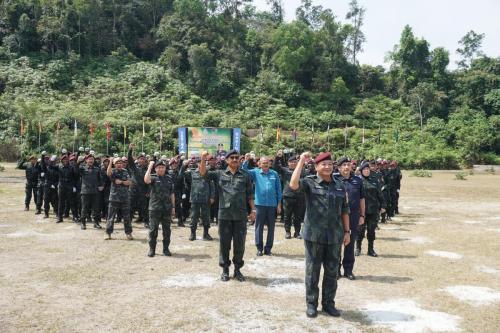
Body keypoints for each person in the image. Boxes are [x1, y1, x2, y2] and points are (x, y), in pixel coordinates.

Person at [289, 152, 350, 318]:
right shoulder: (309, 182)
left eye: (330, 164)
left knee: (332, 272)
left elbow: (344, 210)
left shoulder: (339, 185)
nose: (327, 166)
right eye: (323, 164)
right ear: (316, 167)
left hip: (335, 236)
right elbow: (293, 185)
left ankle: (329, 304)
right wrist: (301, 161)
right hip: (314, 236)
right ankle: (311, 304)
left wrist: (347, 231)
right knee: (312, 271)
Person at [200, 150, 255, 282]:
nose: (235, 160)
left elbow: (250, 194)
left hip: (240, 214)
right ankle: (225, 269)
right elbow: (203, 173)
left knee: (239, 244)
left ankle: (237, 269)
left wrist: (253, 210)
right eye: (232, 158)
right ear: (226, 160)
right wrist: (203, 159)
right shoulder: (219, 173)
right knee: (224, 244)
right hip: (224, 214)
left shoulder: (245, 175)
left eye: (237, 158)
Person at [243, 155, 282, 256]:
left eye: (267, 162)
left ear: (270, 163)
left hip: (272, 205)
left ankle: (268, 248)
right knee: (259, 227)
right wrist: (246, 160)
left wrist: (279, 204)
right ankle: (259, 248)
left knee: (271, 228)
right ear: (259, 164)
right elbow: (244, 171)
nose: (265, 164)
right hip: (259, 205)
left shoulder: (274, 174)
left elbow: (278, 190)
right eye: (263, 162)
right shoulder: (255, 172)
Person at [335, 157, 365, 280]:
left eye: (348, 164)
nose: (347, 167)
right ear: (339, 167)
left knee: (350, 243)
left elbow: (362, 199)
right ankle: (336, 270)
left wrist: (362, 215)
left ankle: (348, 270)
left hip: (353, 216)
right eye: (344, 165)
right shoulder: (334, 179)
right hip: (336, 216)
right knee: (336, 244)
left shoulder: (358, 180)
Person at [144, 160, 176, 257]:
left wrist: (173, 207)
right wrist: (150, 165)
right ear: (156, 169)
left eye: (162, 167)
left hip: (166, 208)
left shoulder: (169, 178)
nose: (161, 169)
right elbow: (146, 180)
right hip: (155, 208)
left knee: (167, 230)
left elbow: (172, 194)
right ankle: (152, 249)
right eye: (159, 167)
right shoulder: (153, 178)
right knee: (153, 230)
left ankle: (165, 249)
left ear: (165, 168)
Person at [273, 152, 306, 239]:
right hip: (288, 196)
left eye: (295, 162)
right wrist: (277, 157)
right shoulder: (285, 170)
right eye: (291, 162)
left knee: (298, 216)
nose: (293, 163)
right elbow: (275, 167)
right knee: (287, 216)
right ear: (288, 163)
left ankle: (297, 232)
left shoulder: (302, 171)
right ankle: (288, 232)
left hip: (299, 196)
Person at [356, 162, 385, 257]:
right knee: (360, 230)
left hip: (373, 210)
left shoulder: (375, 180)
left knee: (371, 231)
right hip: (361, 211)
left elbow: (380, 194)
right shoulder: (358, 181)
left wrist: (383, 205)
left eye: (368, 169)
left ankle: (370, 249)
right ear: (361, 171)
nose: (367, 171)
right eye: (364, 169)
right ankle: (358, 248)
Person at [183, 158, 215, 241]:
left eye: (204, 163)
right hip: (195, 199)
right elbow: (181, 175)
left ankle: (206, 233)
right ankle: (192, 234)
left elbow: (212, 186)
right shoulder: (192, 173)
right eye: (201, 163)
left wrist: (212, 197)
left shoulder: (209, 174)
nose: (202, 165)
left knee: (206, 217)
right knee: (194, 217)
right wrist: (184, 165)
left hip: (206, 199)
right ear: (198, 164)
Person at [105, 157, 133, 240]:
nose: (119, 164)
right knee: (111, 217)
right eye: (117, 163)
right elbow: (108, 173)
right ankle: (108, 233)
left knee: (127, 217)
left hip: (125, 197)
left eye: (120, 163)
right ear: (114, 164)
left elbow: (130, 182)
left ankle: (128, 233)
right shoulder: (113, 171)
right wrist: (110, 162)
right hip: (114, 197)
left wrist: (121, 182)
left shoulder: (126, 171)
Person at [77, 154, 103, 230]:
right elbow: (76, 170)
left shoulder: (97, 169)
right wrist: (78, 162)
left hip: (95, 191)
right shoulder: (82, 168)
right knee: (84, 208)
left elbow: (100, 178)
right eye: (89, 159)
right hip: (85, 191)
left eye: (92, 159)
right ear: (86, 160)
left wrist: (101, 185)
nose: (91, 160)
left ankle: (96, 223)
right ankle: (83, 223)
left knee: (96, 208)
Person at [128, 144, 149, 228]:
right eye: (140, 159)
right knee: (131, 207)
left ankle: (146, 222)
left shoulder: (148, 169)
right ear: (138, 160)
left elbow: (150, 182)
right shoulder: (134, 168)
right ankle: (128, 222)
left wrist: (148, 191)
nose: (142, 160)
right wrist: (130, 150)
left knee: (144, 208)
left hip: (143, 191)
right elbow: (129, 160)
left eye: (143, 159)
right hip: (133, 190)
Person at [55, 155, 78, 223]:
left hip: (69, 186)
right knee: (61, 203)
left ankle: (75, 216)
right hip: (62, 187)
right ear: (61, 161)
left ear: (68, 160)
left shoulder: (71, 167)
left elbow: (75, 177)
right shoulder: (59, 167)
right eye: (63, 160)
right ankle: (60, 217)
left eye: (66, 160)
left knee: (72, 202)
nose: (65, 161)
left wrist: (74, 186)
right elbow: (50, 166)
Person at [40, 153, 59, 219]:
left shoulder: (57, 169)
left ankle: (57, 213)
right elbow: (42, 165)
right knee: (46, 200)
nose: (52, 162)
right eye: (51, 161)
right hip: (47, 186)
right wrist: (42, 156)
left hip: (54, 187)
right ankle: (46, 213)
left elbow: (59, 179)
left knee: (55, 201)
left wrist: (55, 185)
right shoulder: (47, 168)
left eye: (53, 161)